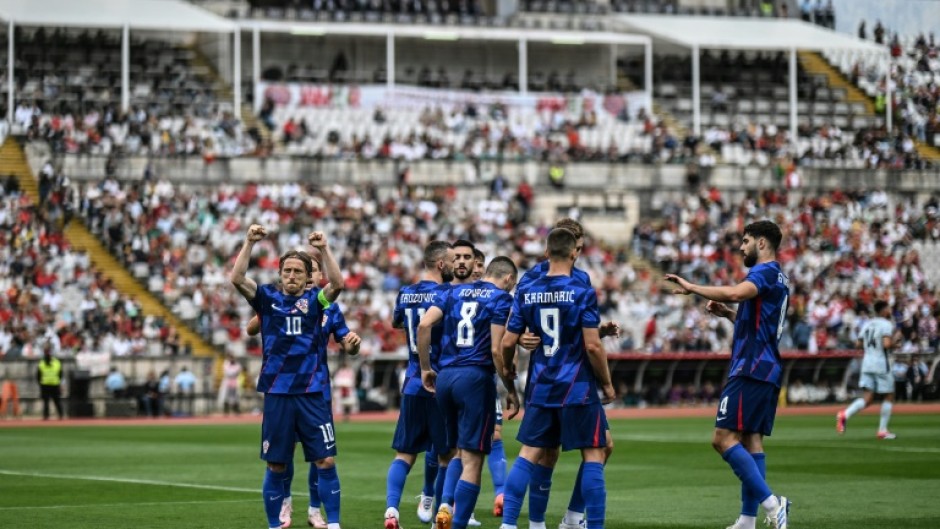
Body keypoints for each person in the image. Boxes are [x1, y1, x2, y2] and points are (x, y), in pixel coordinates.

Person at [663, 220, 790, 529]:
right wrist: (728, 315)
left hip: (751, 366)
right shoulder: (779, 277)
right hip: (766, 365)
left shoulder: (763, 272)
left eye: (746, 241)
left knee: (722, 439)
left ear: (762, 243)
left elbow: (735, 292)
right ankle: (747, 520)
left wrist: (692, 287)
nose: (741, 246)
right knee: (751, 441)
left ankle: (773, 504)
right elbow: (759, 323)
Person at [496, 227, 616, 529]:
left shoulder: (527, 289)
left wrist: (509, 371)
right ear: (575, 252)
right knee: (594, 451)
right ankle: (589, 523)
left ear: (546, 252)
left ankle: (509, 524)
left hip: (540, 382)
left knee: (528, 453)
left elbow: (508, 343)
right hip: (576, 384)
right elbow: (591, 344)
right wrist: (607, 383)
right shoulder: (583, 290)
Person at [230, 224, 345, 529]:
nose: (291, 276)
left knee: (326, 460)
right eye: (287, 270)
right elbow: (237, 278)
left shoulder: (317, 302)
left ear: (308, 276)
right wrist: (249, 242)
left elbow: (337, 284)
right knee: (276, 464)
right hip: (278, 392)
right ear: (280, 273)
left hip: (311, 392)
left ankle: (332, 524)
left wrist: (324, 249)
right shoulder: (266, 299)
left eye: (297, 271)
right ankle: (274, 525)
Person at [246, 251, 362, 529]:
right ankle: (285, 500)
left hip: (316, 388)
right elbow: (252, 327)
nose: (309, 276)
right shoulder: (278, 300)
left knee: (320, 455)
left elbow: (346, 341)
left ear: (316, 275)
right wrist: (271, 313)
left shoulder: (329, 307)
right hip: (283, 387)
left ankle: (314, 509)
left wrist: (353, 344)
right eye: (292, 271)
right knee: (283, 454)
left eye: (311, 271)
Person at [418, 256, 518, 529]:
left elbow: (424, 325)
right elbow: (498, 350)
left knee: (456, 452)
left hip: (446, 378)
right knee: (473, 460)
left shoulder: (452, 291)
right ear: (508, 279)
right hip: (474, 378)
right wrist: (511, 389)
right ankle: (458, 523)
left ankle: (444, 506)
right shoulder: (501, 299)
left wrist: (425, 367)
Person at [383, 241, 455, 529]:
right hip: (439, 380)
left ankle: (391, 510)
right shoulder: (447, 294)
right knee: (448, 453)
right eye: (451, 260)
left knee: (405, 453)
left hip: (411, 381)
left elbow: (396, 322)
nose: (454, 265)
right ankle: (443, 509)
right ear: (441, 264)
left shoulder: (406, 292)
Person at [837, 300, 899, 439]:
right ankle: (882, 430)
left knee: (868, 398)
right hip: (881, 364)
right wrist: (896, 342)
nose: (890, 311)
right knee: (889, 395)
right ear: (883, 310)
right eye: (888, 308)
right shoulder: (886, 324)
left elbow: (858, 344)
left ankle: (844, 415)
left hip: (867, 363)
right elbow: (887, 344)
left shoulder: (867, 324)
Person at [37, 343, 64, 420]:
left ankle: (46, 416)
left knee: (47, 402)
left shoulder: (42, 363)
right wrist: (59, 382)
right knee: (56, 401)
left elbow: (38, 375)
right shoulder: (56, 362)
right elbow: (61, 374)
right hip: (54, 384)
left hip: (46, 384)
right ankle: (60, 415)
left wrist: (40, 383)